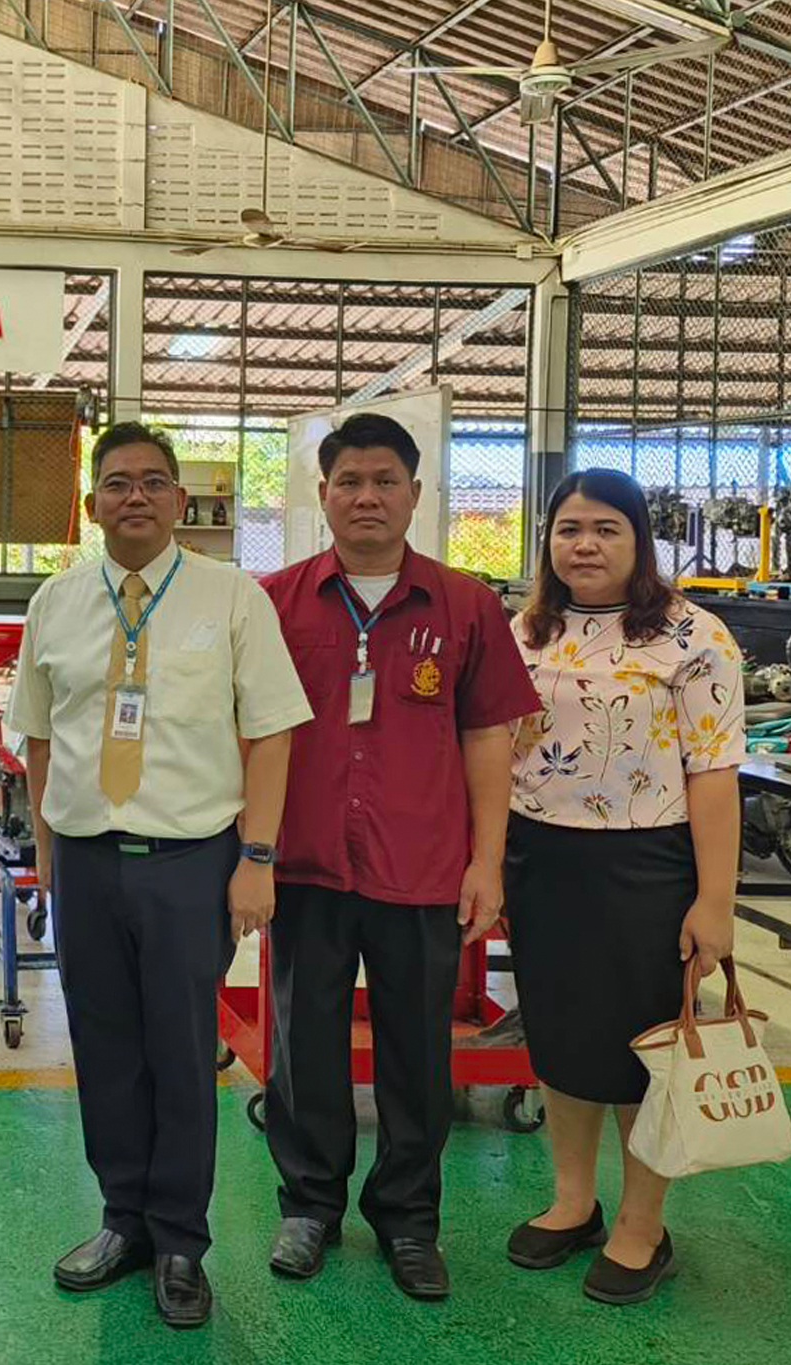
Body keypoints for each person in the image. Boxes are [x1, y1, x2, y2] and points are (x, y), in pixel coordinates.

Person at [8, 420, 311, 1329]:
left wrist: (256, 858)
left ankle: (181, 1238)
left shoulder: (231, 598)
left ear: (181, 500)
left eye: (151, 481)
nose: (132, 496)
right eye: (115, 482)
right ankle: (122, 1220)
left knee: (181, 1054)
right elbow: (38, 736)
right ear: (92, 503)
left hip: (192, 862)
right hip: (89, 862)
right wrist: (51, 856)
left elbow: (272, 735)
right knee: (103, 1048)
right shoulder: (56, 603)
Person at [256, 415, 541, 1299]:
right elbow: (249, 733)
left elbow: (489, 738)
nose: (367, 496)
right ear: (323, 494)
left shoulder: (464, 604)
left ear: (417, 494)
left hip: (421, 867)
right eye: (349, 480)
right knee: (303, 1045)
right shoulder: (275, 600)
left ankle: (409, 1221)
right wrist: (250, 853)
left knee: (418, 1052)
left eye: (385, 480)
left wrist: (486, 861)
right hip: (305, 865)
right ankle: (309, 1205)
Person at [503, 468, 743, 1306]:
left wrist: (715, 902)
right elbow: (496, 754)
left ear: (639, 538)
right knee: (563, 1042)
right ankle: (574, 1199)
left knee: (648, 1051)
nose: (586, 544)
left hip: (647, 868)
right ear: (549, 543)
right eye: (569, 529)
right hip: (541, 863)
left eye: (606, 528)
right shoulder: (525, 631)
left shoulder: (692, 635)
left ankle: (643, 1223)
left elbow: (714, 776)